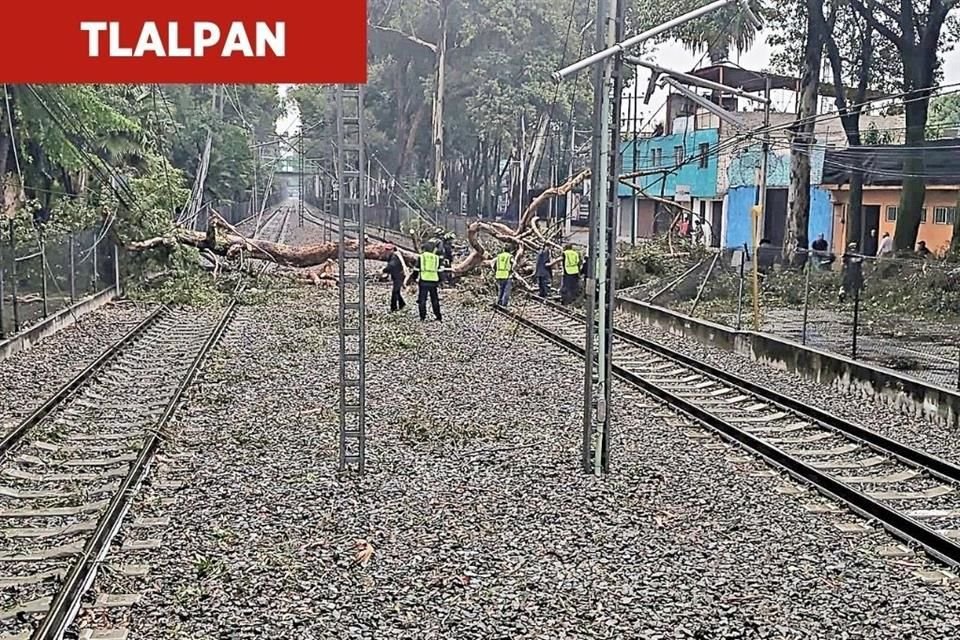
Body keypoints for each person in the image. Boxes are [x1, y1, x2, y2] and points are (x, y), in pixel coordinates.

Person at [412, 241, 442, 322]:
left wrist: (414, 278)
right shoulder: (436, 258)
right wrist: (440, 281)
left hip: (424, 280)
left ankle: (422, 317)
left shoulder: (422, 257)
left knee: (422, 300)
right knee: (435, 299)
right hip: (434, 281)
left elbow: (416, 269)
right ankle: (438, 316)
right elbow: (439, 271)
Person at [382, 246, 407, 312]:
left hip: (399, 276)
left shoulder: (394, 256)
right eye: (386, 249)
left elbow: (391, 266)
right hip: (397, 275)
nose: (387, 251)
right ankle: (402, 304)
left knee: (395, 292)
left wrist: (384, 270)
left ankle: (393, 308)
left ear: (393, 249)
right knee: (397, 292)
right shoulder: (393, 255)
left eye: (389, 249)